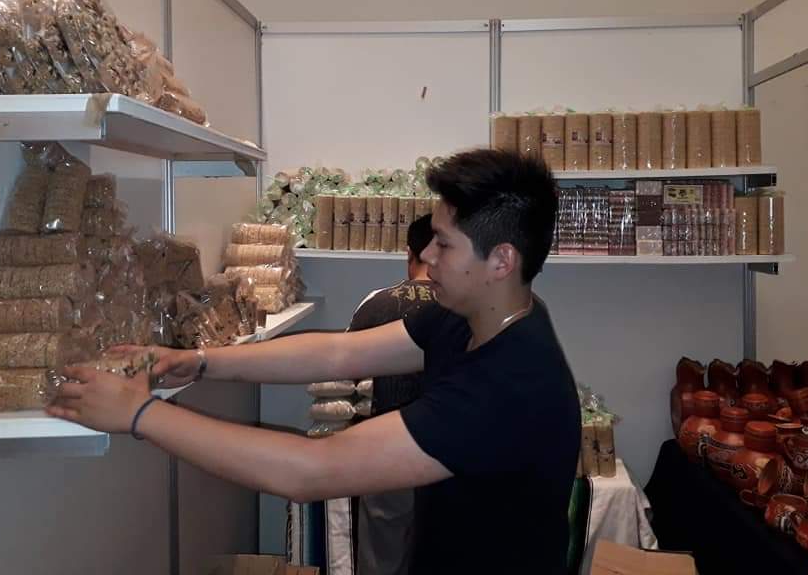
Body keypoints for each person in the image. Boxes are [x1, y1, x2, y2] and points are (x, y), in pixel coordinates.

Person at [49, 148, 582, 575]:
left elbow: (312, 470)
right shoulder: (476, 316)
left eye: (443, 244)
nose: (427, 257)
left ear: (501, 260)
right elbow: (338, 351)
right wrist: (201, 360)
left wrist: (140, 415)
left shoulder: (508, 386)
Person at [347, 213, 434, 575]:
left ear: (410, 254)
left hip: (385, 452)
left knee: (382, 558)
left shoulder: (376, 304)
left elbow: (350, 377)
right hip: (450, 452)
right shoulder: (471, 308)